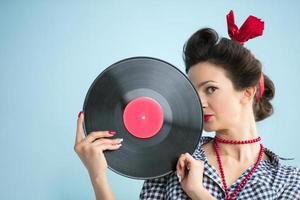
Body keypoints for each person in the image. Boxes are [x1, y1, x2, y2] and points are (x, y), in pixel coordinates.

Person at [74, 11, 300, 200]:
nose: (198, 102)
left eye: (210, 88)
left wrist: (197, 192)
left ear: (247, 93)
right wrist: (98, 175)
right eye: (194, 91)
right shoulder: (171, 155)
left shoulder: (288, 180)